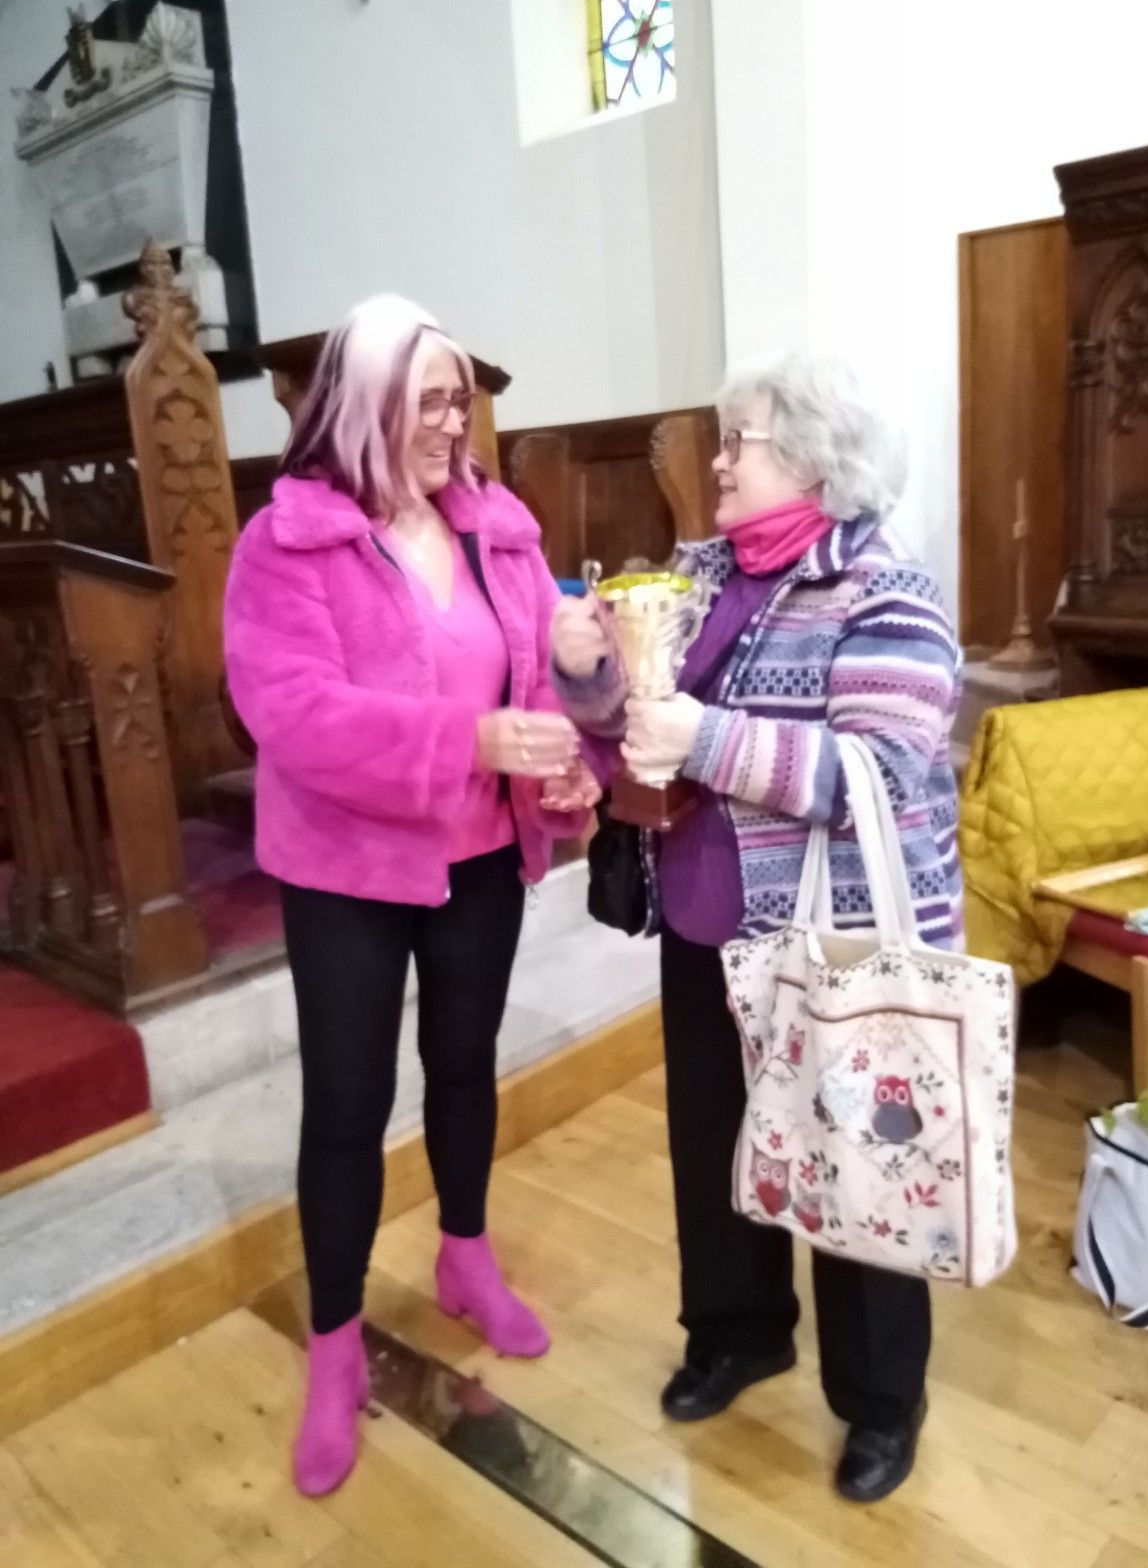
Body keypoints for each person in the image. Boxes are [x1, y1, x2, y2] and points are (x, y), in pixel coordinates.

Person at [550, 355, 961, 1504]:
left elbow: (877, 771)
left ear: (817, 463)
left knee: (855, 1165)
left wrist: (707, 739)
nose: (717, 458)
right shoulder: (691, 574)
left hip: (837, 940)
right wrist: (584, 683)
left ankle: (883, 1398)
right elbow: (632, 734)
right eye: (722, 437)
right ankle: (738, 1332)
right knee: (717, 1142)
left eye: (741, 439)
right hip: (704, 925)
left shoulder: (889, 590)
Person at [224, 294, 599, 1498]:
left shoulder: (500, 528)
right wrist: (469, 738)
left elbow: (542, 680)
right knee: (347, 1102)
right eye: (430, 400)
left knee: (466, 1062)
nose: (454, 423)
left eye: (460, 400)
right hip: (347, 865)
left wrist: (578, 707)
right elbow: (294, 713)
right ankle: (336, 1345)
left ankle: (465, 1259)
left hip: (479, 853)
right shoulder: (285, 545)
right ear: (368, 404)